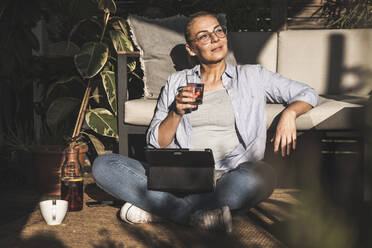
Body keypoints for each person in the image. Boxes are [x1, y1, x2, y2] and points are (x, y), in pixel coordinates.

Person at [92, 11, 318, 233]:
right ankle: (199, 214)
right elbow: (156, 144)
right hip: (180, 175)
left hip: (230, 175)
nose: (215, 39)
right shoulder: (177, 82)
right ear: (191, 49)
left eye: (218, 31)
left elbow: (306, 93)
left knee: (262, 176)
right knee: (104, 166)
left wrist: (290, 114)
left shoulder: (253, 76)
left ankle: (162, 209)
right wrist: (176, 112)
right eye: (203, 36)